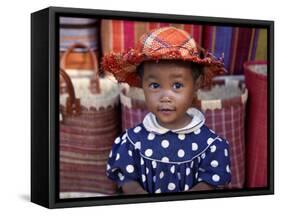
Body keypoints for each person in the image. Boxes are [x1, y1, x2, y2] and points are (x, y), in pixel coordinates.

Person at [102, 26, 231, 194]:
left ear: (196, 85)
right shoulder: (131, 142)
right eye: (155, 85)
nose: (165, 97)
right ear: (142, 84)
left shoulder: (210, 145)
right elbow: (126, 180)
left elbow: (211, 183)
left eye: (177, 85)